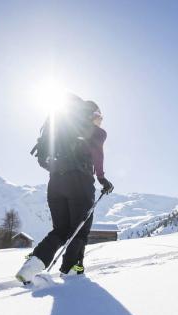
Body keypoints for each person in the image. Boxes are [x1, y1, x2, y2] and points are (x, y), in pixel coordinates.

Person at [16, 95, 114, 284]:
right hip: (80, 183)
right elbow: (98, 158)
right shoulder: (97, 133)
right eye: (99, 117)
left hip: (55, 183)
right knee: (79, 229)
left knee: (60, 230)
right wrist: (102, 179)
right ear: (91, 115)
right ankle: (71, 269)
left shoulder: (61, 130)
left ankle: (32, 265)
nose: (100, 121)